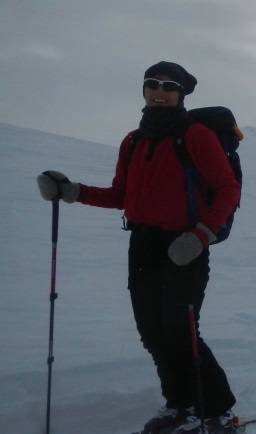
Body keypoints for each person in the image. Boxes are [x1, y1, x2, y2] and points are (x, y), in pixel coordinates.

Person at [36, 61, 242, 434]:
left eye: (169, 86)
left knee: (180, 331)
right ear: (144, 90)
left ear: (181, 94)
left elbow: (227, 188)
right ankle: (179, 404)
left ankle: (218, 410)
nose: (159, 91)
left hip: (185, 246)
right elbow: (121, 195)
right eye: (152, 84)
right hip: (143, 243)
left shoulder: (196, 136)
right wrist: (73, 191)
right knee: (152, 331)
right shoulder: (133, 141)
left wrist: (201, 236)